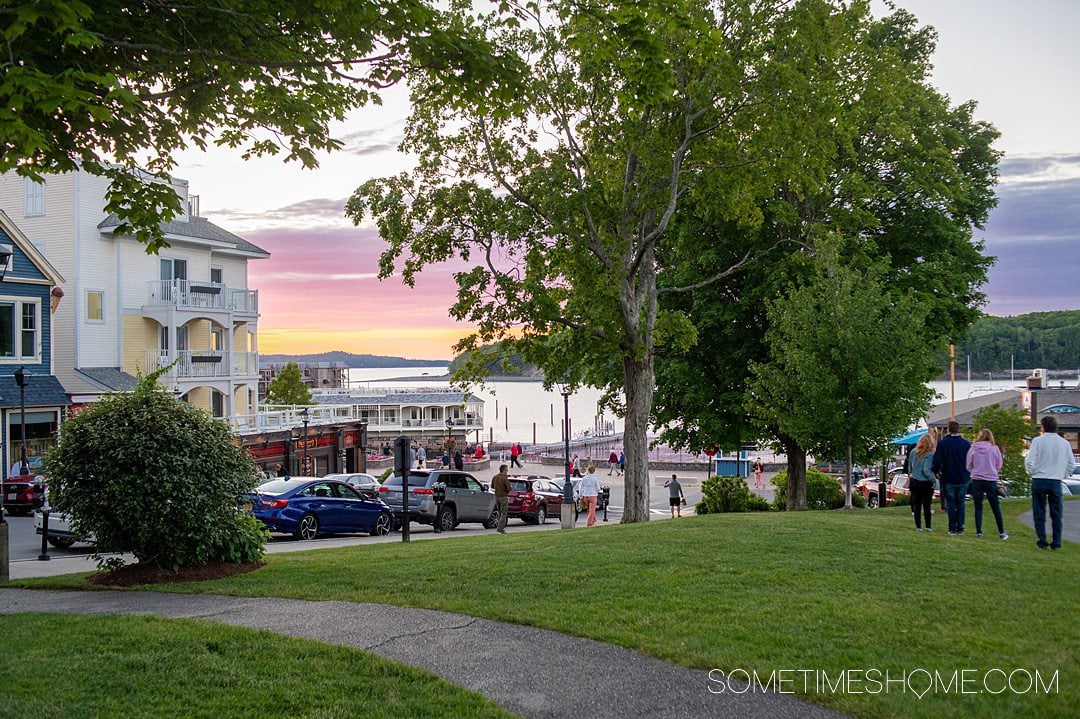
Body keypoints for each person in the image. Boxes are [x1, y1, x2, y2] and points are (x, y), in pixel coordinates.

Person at [1025, 415, 1076, 550]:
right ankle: (1057, 542)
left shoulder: (1038, 441)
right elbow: (1071, 464)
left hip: (1040, 479)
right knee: (1057, 513)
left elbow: (1029, 460)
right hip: (1055, 480)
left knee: (1039, 512)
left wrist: (1032, 472)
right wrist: (1062, 474)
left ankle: (1042, 540)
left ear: (1043, 427)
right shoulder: (1064, 443)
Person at [966, 428, 1007, 540]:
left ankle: (979, 531)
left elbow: (968, 465)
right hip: (990, 479)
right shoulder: (994, 449)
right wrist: (992, 470)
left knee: (978, 506)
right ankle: (1001, 532)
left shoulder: (973, 448)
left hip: (977, 479)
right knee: (995, 507)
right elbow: (999, 464)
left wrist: (975, 471)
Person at [932, 420, 971, 535]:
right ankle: (961, 527)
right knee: (961, 503)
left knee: (951, 503)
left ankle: (952, 528)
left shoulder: (944, 443)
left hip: (948, 476)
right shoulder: (966, 444)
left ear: (948, 430)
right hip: (963, 476)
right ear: (959, 429)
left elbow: (937, 460)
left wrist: (936, 471)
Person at [908, 434, 938, 532]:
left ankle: (918, 527)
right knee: (926, 506)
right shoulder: (930, 454)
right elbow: (926, 470)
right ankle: (928, 527)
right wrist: (933, 480)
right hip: (925, 482)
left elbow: (910, 467)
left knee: (917, 505)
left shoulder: (913, 452)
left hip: (914, 480)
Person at [491, 464, 511, 534]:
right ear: (504, 470)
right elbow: (509, 488)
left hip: (497, 496)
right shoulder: (505, 478)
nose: (507, 470)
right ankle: (500, 528)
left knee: (499, 512)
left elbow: (492, 486)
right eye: (507, 469)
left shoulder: (495, 477)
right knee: (504, 513)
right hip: (503, 496)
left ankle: (498, 527)